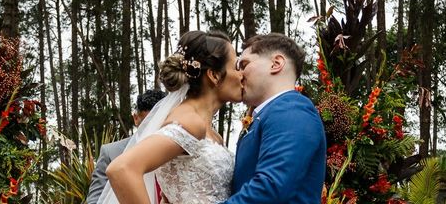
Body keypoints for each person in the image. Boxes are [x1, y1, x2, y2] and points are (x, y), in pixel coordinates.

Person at [101, 30, 243, 204]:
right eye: (236, 66)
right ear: (214, 75)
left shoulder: (207, 130)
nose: (242, 74)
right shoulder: (191, 122)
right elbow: (121, 169)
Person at [223, 32, 326, 204]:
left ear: (276, 64)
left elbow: (271, 188)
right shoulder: (268, 114)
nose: (238, 75)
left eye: (244, 65)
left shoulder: (292, 111)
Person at [86, 89, 166, 204]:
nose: (152, 129)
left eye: (159, 123)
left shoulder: (179, 151)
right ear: (136, 118)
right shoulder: (110, 153)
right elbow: (95, 200)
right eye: (148, 123)